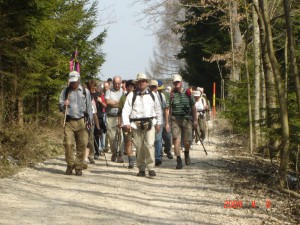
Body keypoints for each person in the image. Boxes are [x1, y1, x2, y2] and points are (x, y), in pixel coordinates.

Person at [122, 73, 162, 177]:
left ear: (147, 83)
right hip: (136, 124)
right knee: (139, 147)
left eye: (143, 81)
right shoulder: (132, 95)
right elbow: (126, 110)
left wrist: (159, 123)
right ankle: (141, 168)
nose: (142, 83)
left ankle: (151, 167)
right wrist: (126, 123)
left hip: (150, 122)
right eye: (139, 81)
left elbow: (158, 110)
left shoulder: (153, 95)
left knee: (149, 145)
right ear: (137, 83)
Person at [59, 71, 93, 176]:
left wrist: (90, 121)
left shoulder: (85, 91)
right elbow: (60, 106)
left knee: (82, 144)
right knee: (68, 144)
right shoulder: (65, 91)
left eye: (75, 81)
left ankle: (78, 167)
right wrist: (64, 104)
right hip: (69, 121)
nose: (73, 83)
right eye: (72, 82)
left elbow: (89, 108)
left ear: (79, 80)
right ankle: (70, 164)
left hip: (82, 121)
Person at [164, 74, 198, 169]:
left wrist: (195, 120)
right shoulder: (171, 94)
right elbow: (167, 109)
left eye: (178, 82)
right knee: (176, 139)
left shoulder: (188, 93)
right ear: (173, 83)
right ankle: (178, 159)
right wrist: (166, 123)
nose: (177, 83)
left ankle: (186, 153)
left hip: (187, 119)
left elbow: (193, 107)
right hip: (175, 119)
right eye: (175, 82)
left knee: (187, 141)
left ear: (181, 82)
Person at [105, 76, 124, 162]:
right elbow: (108, 102)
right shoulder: (108, 91)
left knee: (121, 136)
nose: (117, 85)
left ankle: (120, 154)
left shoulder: (123, 92)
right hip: (111, 116)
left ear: (121, 83)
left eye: (118, 83)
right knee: (111, 137)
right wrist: (118, 102)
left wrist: (114, 103)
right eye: (115, 83)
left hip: (120, 116)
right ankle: (114, 151)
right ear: (113, 83)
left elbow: (123, 104)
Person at [119, 79, 135, 168]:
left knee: (137, 142)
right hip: (126, 122)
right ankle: (130, 159)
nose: (130, 88)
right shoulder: (123, 98)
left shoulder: (137, 96)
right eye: (128, 86)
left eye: (132, 86)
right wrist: (121, 122)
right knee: (128, 142)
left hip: (136, 122)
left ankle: (139, 157)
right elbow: (120, 111)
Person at [149, 80, 164, 166]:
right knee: (150, 140)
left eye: (155, 86)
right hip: (149, 120)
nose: (153, 88)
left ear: (157, 87)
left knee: (158, 139)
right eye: (152, 86)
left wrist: (162, 122)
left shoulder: (161, 96)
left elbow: (165, 108)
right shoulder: (146, 96)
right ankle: (151, 157)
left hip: (158, 120)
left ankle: (158, 157)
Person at [157, 79, 173, 160]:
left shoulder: (166, 95)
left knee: (167, 136)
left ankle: (168, 150)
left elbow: (167, 109)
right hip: (156, 118)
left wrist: (166, 123)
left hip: (164, 117)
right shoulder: (151, 94)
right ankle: (159, 154)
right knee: (158, 138)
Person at [94, 82, 107, 159]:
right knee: (94, 135)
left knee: (99, 133)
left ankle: (98, 150)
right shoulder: (90, 94)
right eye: (96, 87)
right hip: (92, 116)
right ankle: (95, 150)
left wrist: (100, 101)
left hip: (99, 116)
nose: (97, 88)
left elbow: (104, 106)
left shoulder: (100, 95)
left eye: (98, 87)